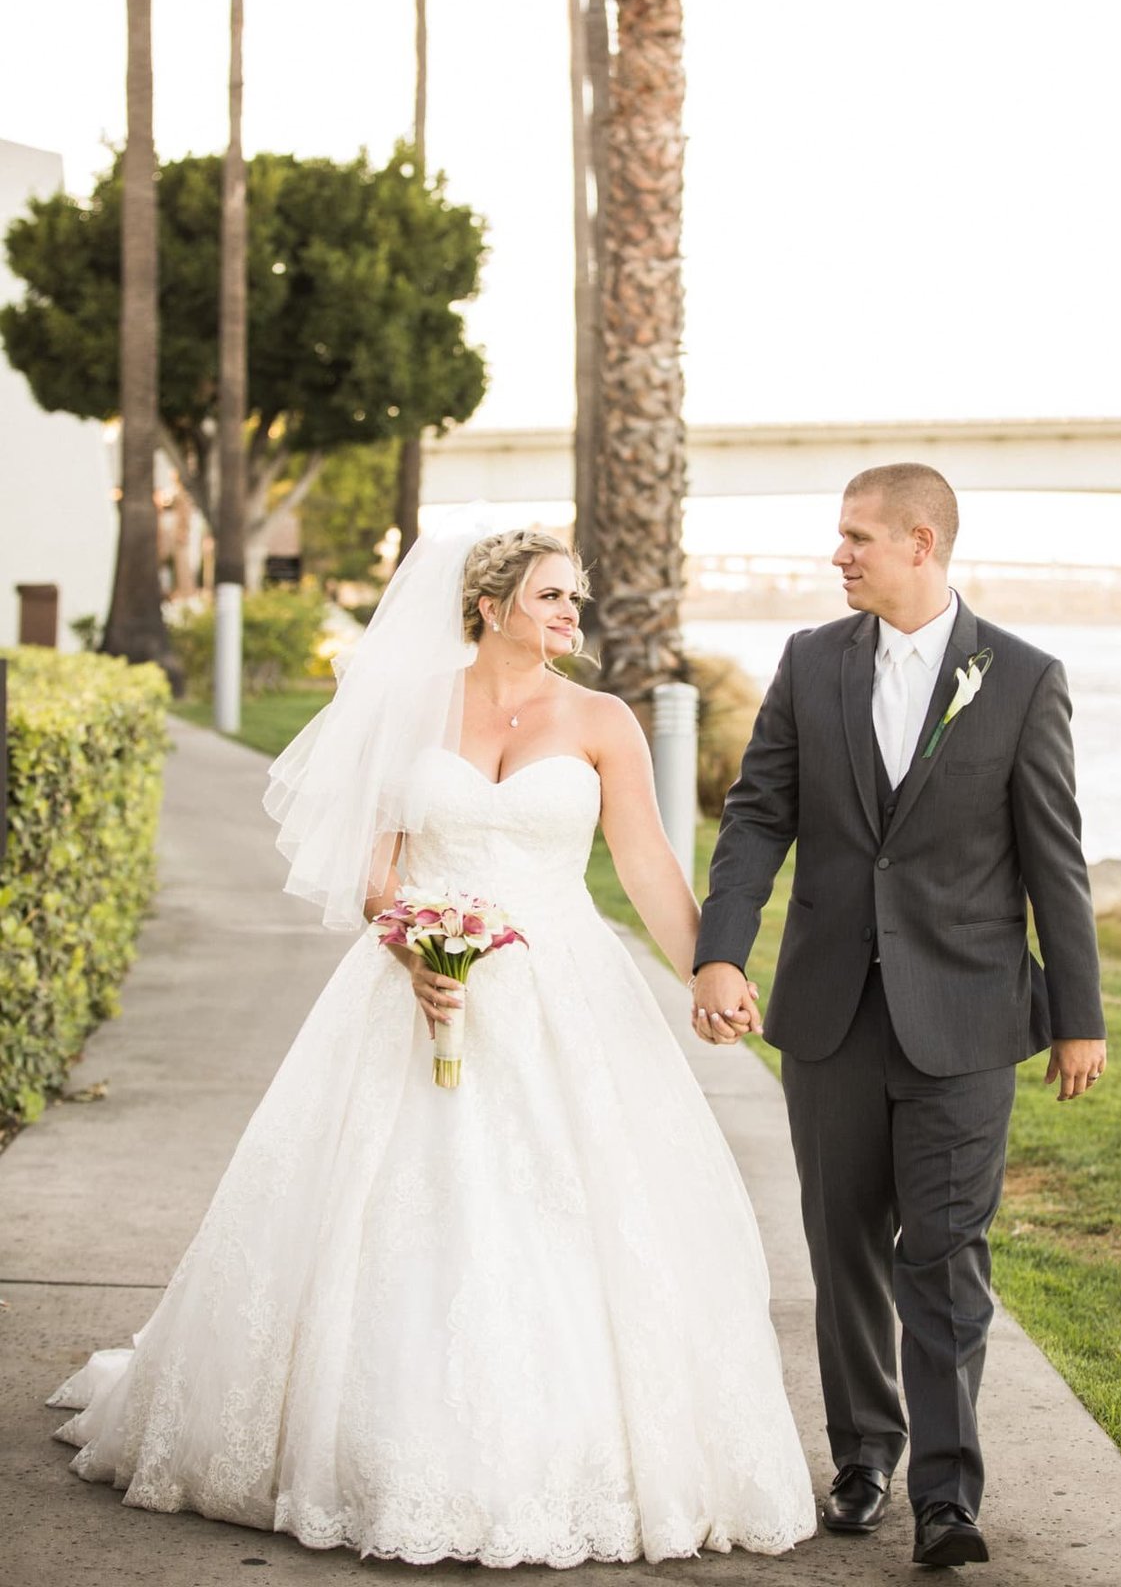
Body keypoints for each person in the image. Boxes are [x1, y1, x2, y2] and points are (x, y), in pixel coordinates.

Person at [48, 510, 816, 1567]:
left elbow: (645, 868)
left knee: (565, 1210)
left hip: (563, 992)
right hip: (417, 983)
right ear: (491, 605)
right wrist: (413, 947)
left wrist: (711, 973)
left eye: (574, 598)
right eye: (552, 595)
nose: (570, 613)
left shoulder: (603, 721)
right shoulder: (410, 709)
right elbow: (379, 862)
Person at [691, 464, 1107, 1569]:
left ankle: (948, 1494)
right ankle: (864, 1453)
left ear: (921, 542)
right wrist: (720, 952)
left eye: (856, 537)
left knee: (947, 1254)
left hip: (966, 1021)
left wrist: (1080, 1014)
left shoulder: (1021, 679)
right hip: (829, 1016)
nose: (839, 554)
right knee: (843, 1252)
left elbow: (1055, 861)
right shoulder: (809, 663)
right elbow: (756, 817)